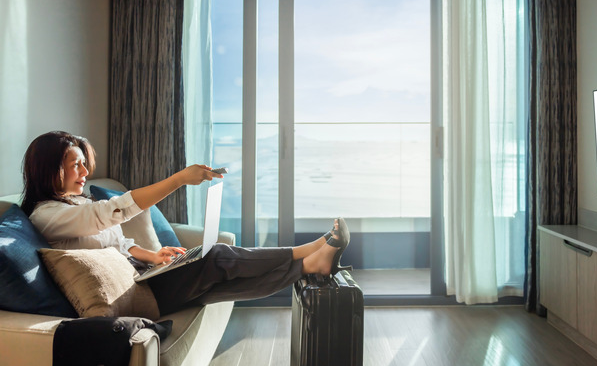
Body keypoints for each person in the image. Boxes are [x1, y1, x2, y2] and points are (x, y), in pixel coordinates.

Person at [21, 131, 350, 315]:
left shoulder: (75, 203)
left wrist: (155, 256)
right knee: (218, 257)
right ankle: (307, 251)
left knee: (217, 283)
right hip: (136, 292)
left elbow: (115, 242)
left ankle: (310, 265)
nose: (85, 172)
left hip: (142, 274)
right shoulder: (47, 216)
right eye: (75, 165)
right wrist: (178, 179)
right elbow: (113, 212)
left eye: (84, 164)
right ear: (49, 169)